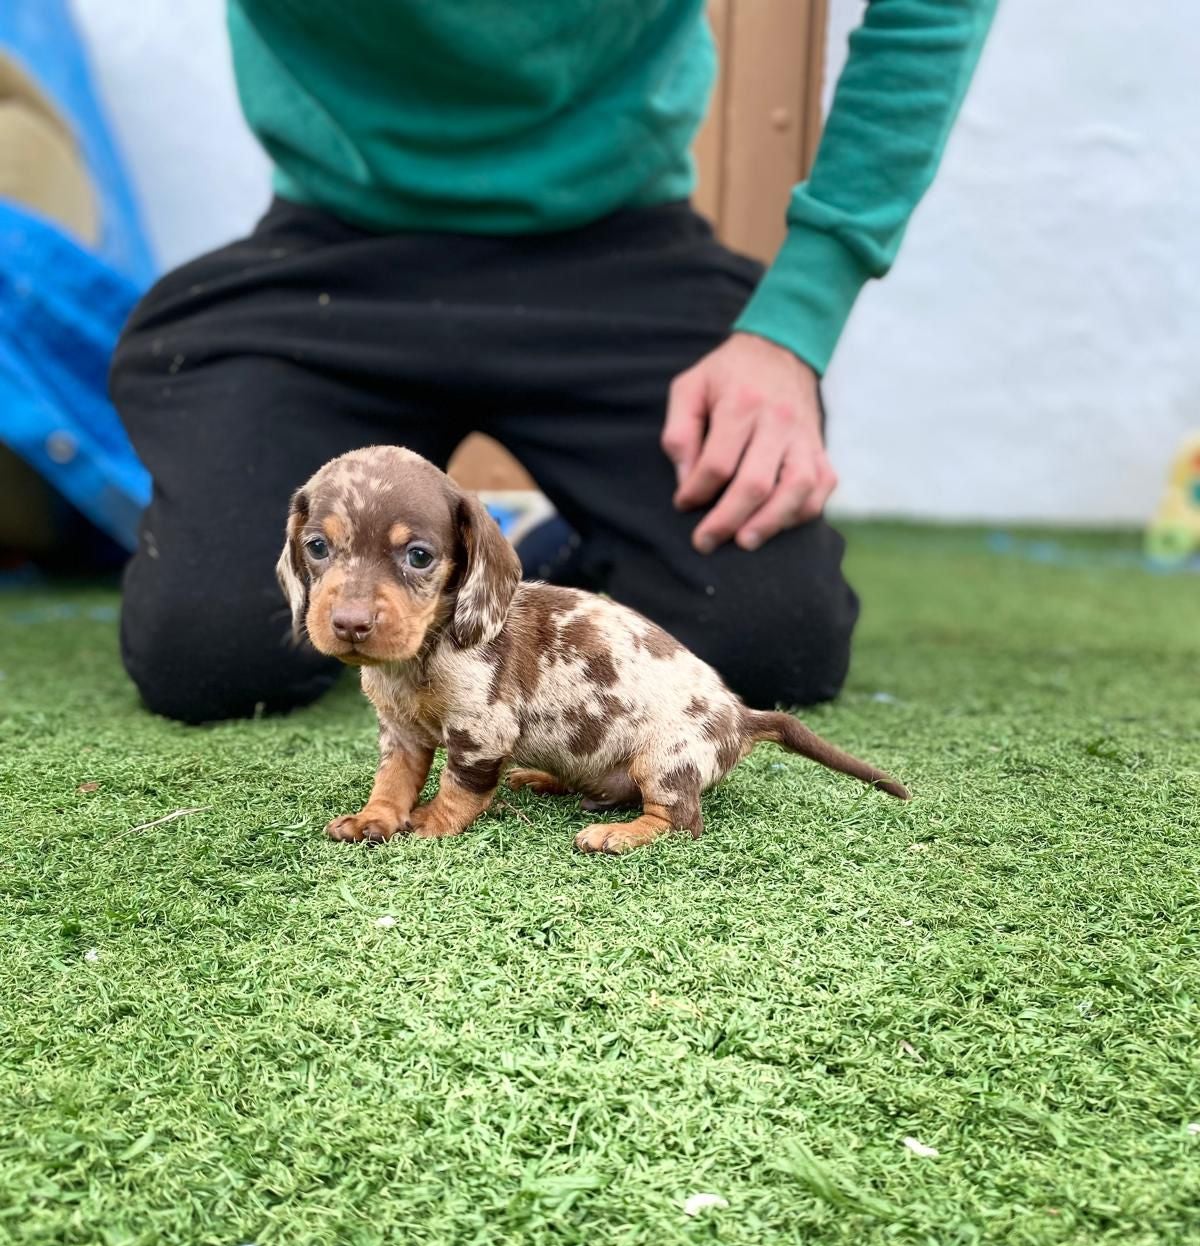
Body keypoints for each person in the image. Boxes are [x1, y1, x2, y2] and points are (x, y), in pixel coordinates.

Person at [110, 0, 996, 725]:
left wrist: (794, 322)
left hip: (622, 248)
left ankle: (533, 553)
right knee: (209, 653)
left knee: (769, 640)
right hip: (330, 255)